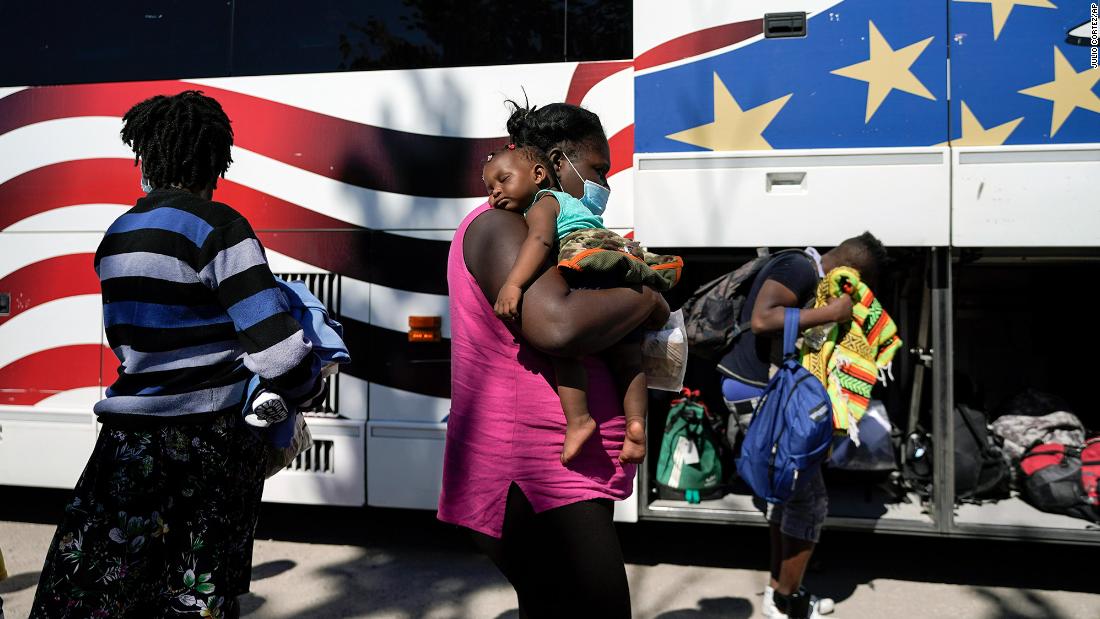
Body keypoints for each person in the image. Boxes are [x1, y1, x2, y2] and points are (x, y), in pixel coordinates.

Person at [31, 91, 320, 618]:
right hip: (205, 446)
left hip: (126, 442)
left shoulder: (118, 233)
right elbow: (279, 352)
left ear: (148, 157)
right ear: (216, 160)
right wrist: (308, 387)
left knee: (105, 590)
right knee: (192, 597)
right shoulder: (220, 227)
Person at [439, 101, 670, 618]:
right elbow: (557, 326)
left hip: (557, 470)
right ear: (558, 163)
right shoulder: (502, 227)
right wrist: (648, 299)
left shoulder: (548, 233)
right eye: (597, 170)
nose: (602, 185)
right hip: (538, 471)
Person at [719, 233, 887, 619]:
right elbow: (763, 319)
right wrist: (832, 313)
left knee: (789, 494)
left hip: (764, 389)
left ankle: (781, 593)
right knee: (809, 502)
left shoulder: (805, 270)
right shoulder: (799, 267)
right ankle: (784, 602)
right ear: (850, 273)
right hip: (761, 390)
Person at [483, 142, 678, 464]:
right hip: (614, 270)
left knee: (565, 352)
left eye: (504, 180)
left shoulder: (542, 204)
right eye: (490, 188)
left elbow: (541, 240)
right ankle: (636, 426)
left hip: (586, 269)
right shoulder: (574, 203)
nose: (495, 193)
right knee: (629, 359)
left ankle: (579, 421)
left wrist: (513, 284)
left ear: (539, 174)